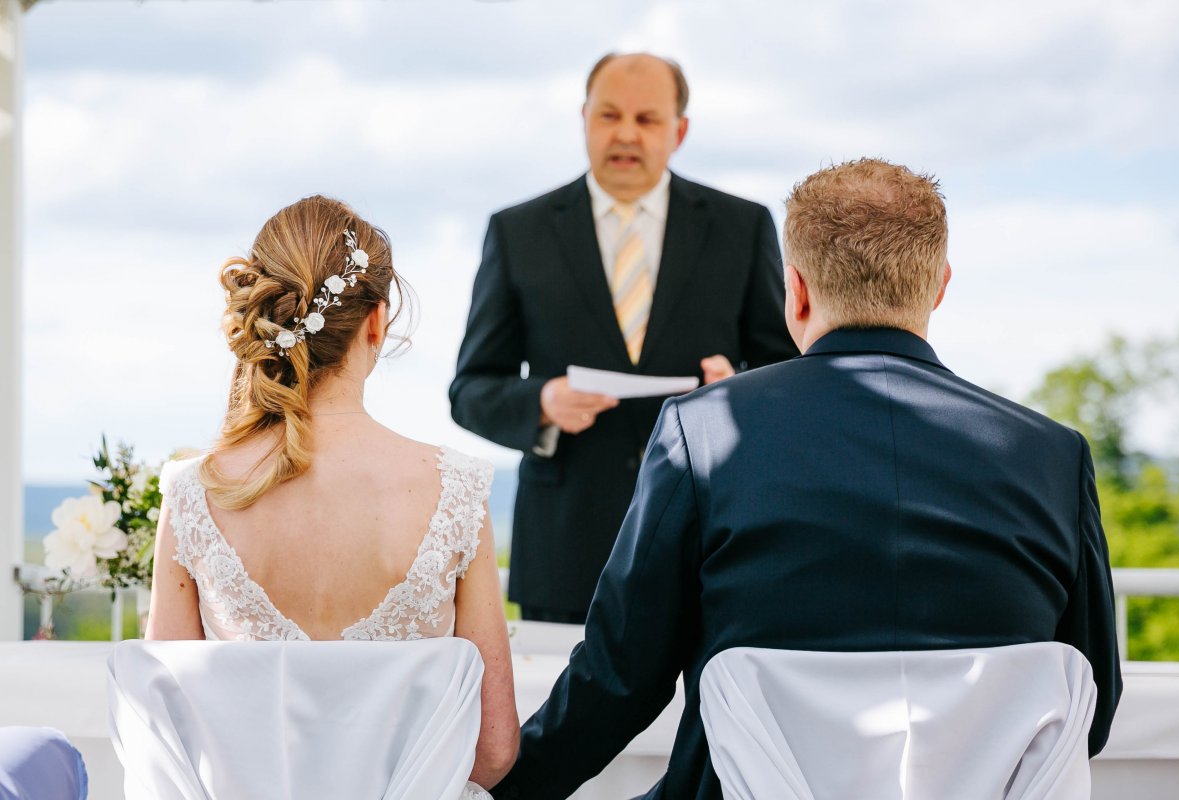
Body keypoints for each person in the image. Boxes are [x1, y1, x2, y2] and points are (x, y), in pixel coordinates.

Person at [491, 159, 1122, 799]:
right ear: (939, 286)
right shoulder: (1053, 455)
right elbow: (1088, 705)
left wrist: (498, 793)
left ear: (794, 290)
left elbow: (621, 679)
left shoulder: (702, 433)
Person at [145, 196, 519, 792]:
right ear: (376, 320)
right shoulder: (455, 488)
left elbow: (165, 731)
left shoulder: (195, 494)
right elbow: (493, 749)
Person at [449, 53, 798, 623]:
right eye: (609, 115)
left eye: (647, 119)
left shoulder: (744, 226)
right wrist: (540, 404)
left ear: (679, 130)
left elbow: (788, 371)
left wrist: (739, 394)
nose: (626, 134)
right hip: (566, 554)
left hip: (709, 543)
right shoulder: (519, 232)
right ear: (584, 118)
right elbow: (470, 390)